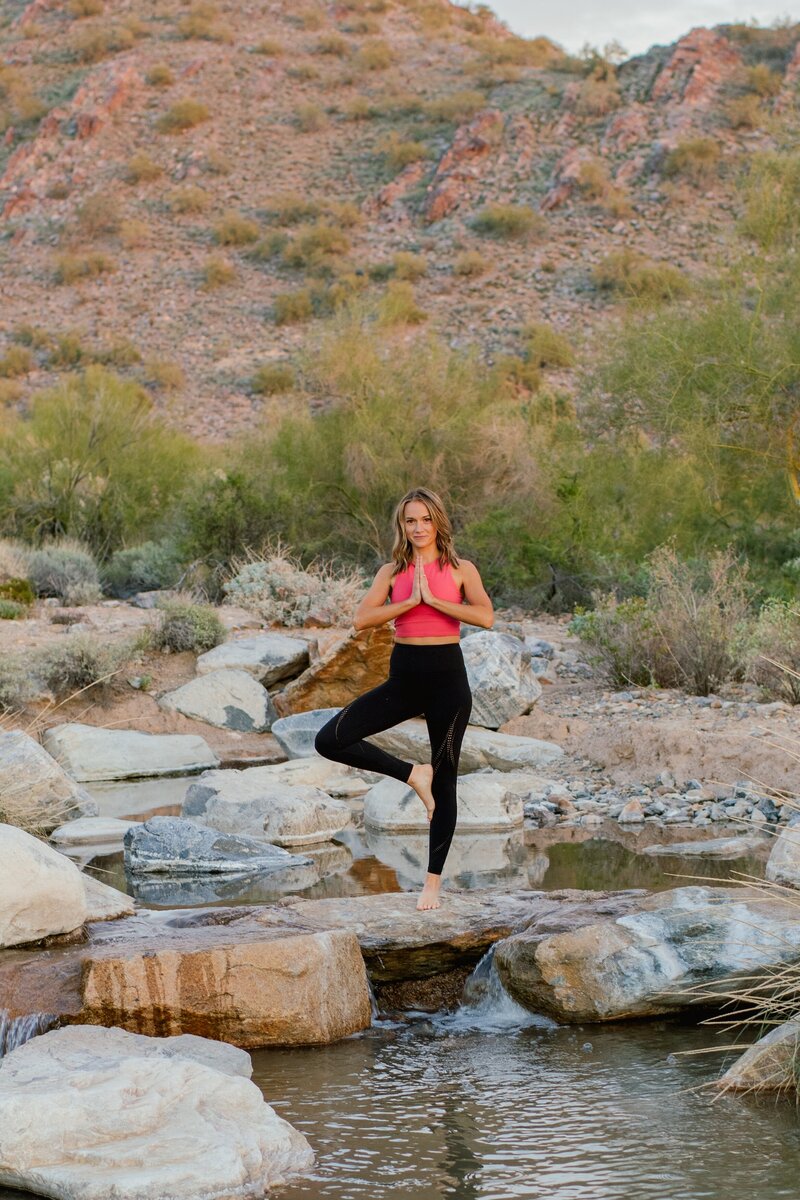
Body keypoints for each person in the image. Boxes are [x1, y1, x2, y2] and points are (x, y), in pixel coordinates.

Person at [314, 486, 494, 911]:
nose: (418, 528)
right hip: (404, 679)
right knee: (329, 739)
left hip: (449, 683)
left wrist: (436, 601)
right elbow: (362, 619)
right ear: (402, 525)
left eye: (426, 519)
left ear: (438, 522)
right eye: (410, 520)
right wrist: (411, 600)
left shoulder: (461, 569)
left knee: (446, 776)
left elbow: (485, 616)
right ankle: (414, 774)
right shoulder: (391, 573)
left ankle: (432, 883)